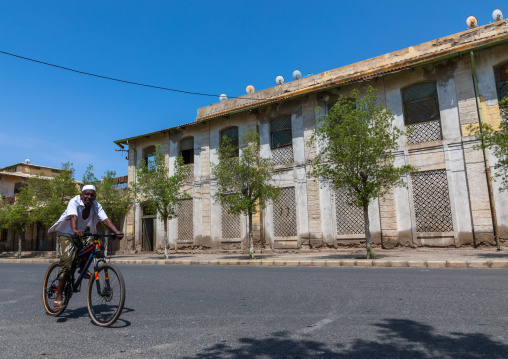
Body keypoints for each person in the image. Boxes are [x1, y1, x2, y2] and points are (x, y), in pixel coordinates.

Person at [48, 184, 124, 310]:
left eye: (92, 195)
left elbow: (105, 219)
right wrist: (74, 229)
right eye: (87, 194)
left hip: (81, 233)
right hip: (67, 234)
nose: (89, 197)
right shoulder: (74, 201)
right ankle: (59, 296)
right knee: (67, 262)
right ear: (81, 195)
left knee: (96, 243)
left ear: (95, 196)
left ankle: (82, 269)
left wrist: (117, 231)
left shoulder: (96, 205)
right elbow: (73, 216)